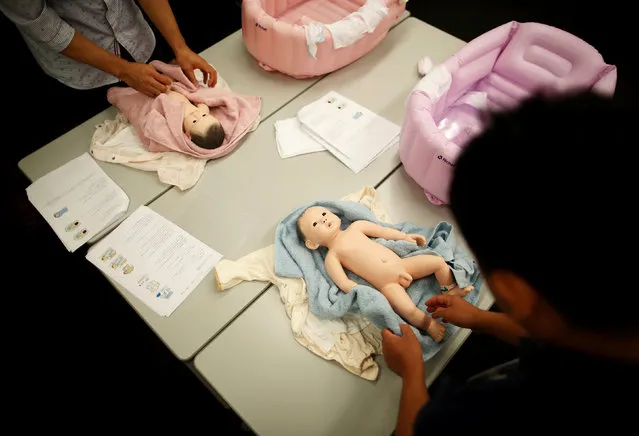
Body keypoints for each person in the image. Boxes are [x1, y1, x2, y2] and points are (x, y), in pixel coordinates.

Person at [381, 91, 638, 435]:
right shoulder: (600, 329)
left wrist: (412, 373)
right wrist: (481, 318)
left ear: (512, 291)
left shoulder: (483, 414)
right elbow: (561, 329)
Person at [297, 206, 474, 342]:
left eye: (324, 214)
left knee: (437, 262)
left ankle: (449, 289)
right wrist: (365, 293)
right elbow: (345, 283)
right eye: (315, 224)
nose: (323, 220)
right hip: (387, 285)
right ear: (312, 244)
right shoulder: (332, 257)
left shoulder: (356, 227)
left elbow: (383, 232)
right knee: (407, 309)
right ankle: (428, 324)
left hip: (404, 265)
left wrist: (405, 237)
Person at [0, 0, 217, 97]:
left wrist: (180, 47)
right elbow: (42, 24)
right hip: (81, 71)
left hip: (135, 36)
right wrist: (123, 70)